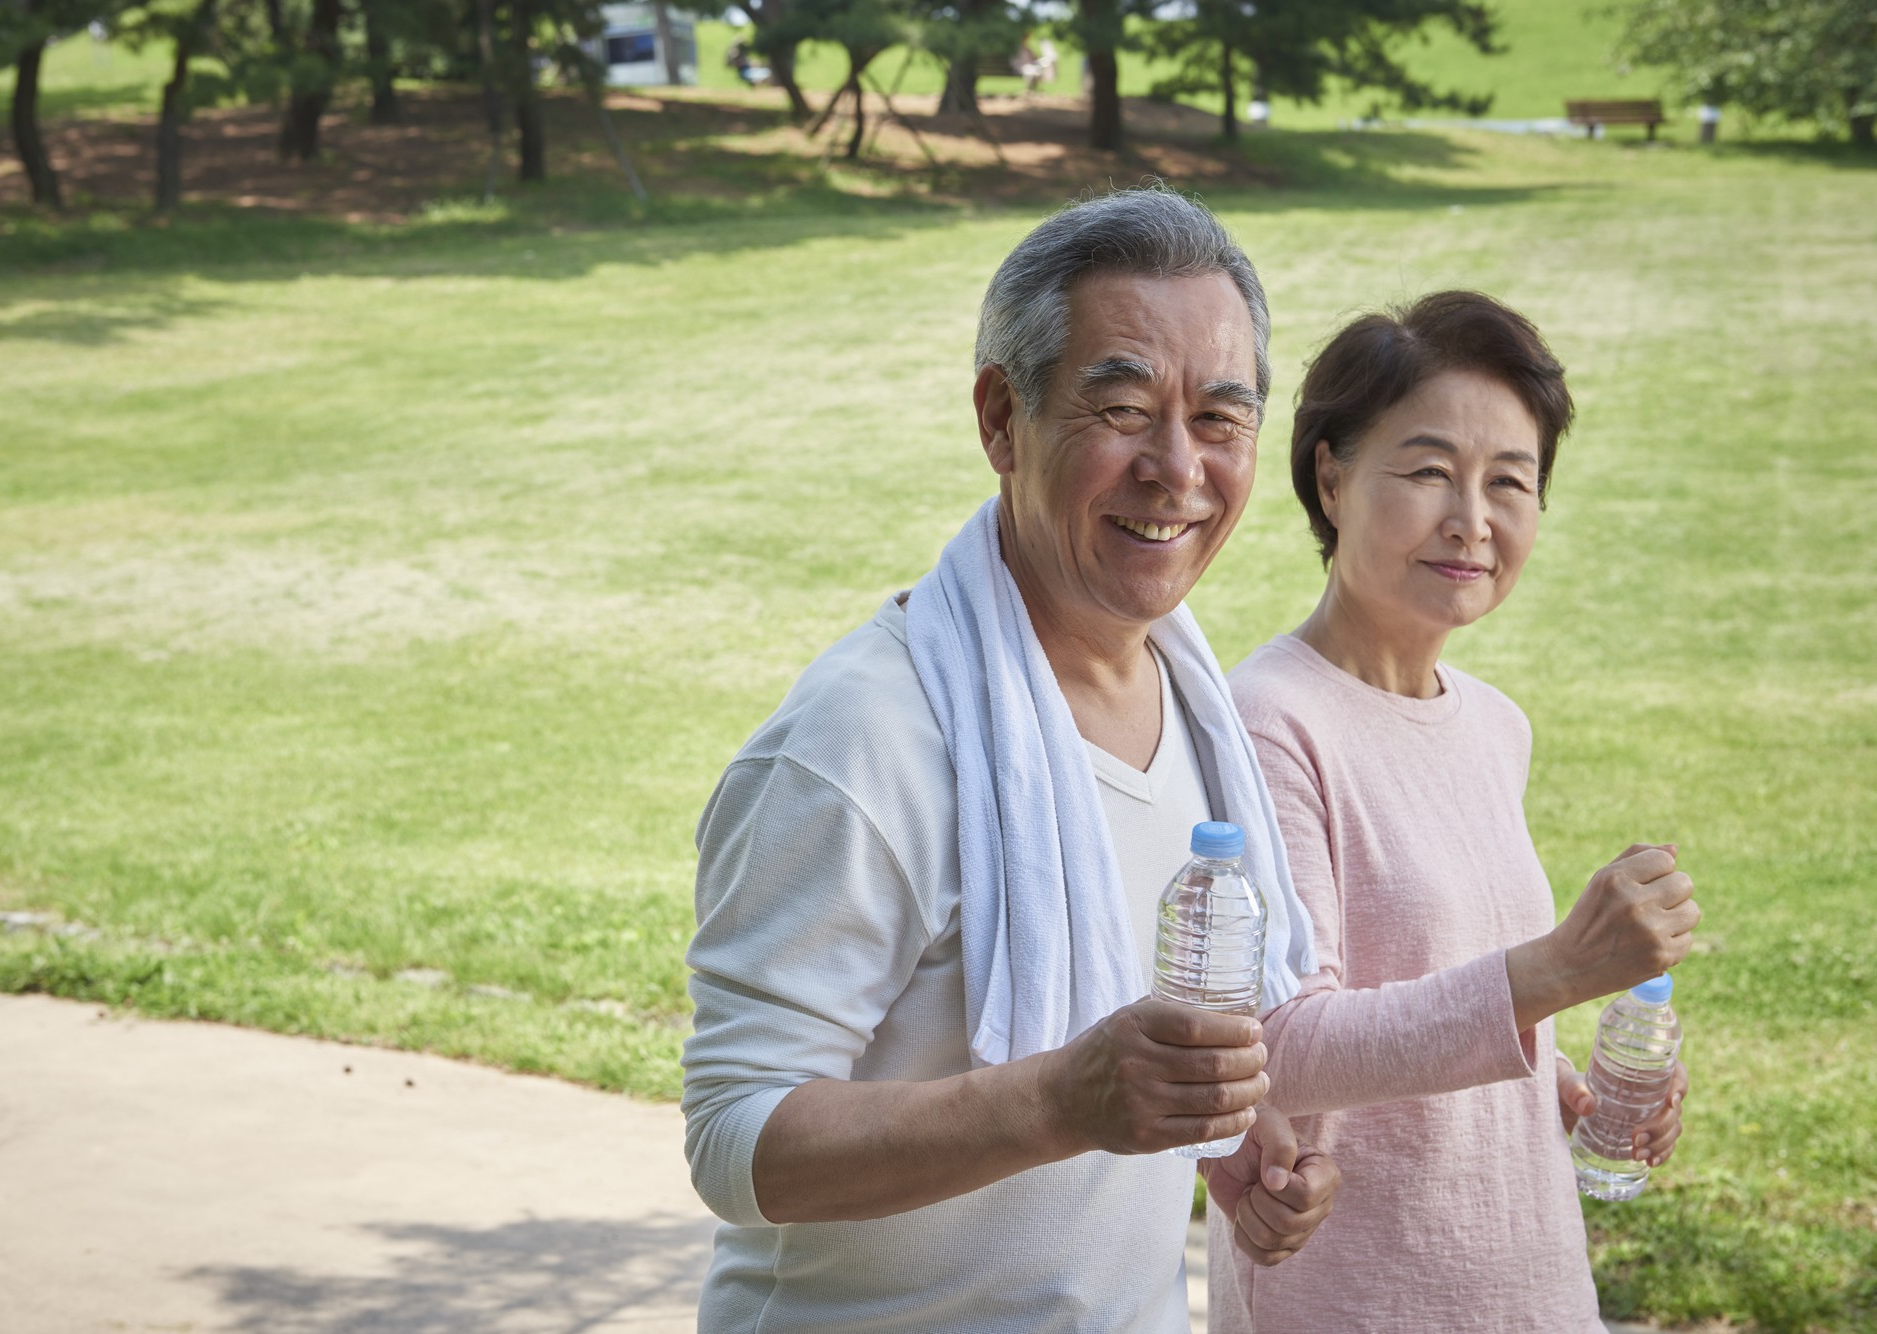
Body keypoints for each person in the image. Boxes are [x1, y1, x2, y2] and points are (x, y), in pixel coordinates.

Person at [682, 188, 1342, 1332]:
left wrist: (1217, 1144)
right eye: (1124, 407)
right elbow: (735, 1139)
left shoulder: (1193, 704)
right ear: (1000, 417)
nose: (1177, 469)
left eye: (1220, 419)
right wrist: (1060, 1100)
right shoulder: (862, 739)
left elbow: (1109, 1079)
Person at [1212, 291, 1698, 1333]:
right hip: (1360, 1298)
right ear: (1331, 475)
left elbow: (1448, 994)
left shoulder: (1491, 724)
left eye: (1508, 481)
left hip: (1529, 1288)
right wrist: (1558, 969)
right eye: (1428, 470)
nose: (1471, 519)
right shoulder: (1266, 721)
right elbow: (1274, 1045)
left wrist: (1567, 1086)